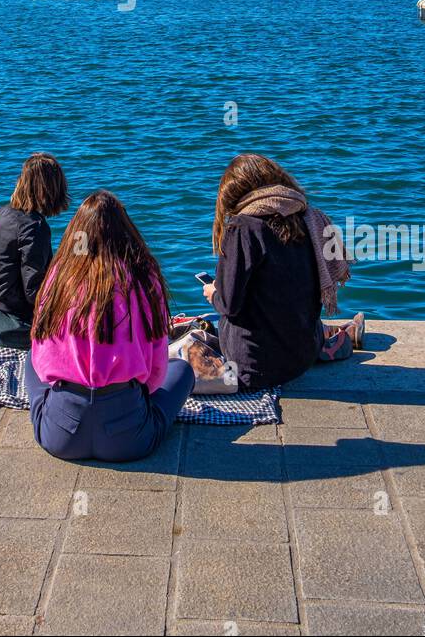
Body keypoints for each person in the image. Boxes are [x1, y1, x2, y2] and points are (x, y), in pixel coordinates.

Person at [25, 190, 194, 462]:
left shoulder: (59, 276)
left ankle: (47, 411)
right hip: (129, 438)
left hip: (61, 436)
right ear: (125, 232)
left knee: (29, 362)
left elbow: (43, 362)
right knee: (183, 370)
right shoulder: (143, 276)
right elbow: (156, 372)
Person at [205, 153, 363, 391]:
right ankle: (335, 336)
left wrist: (212, 292)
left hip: (252, 369)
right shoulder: (310, 218)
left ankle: (336, 335)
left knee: (207, 327)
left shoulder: (243, 228)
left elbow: (229, 305)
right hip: (301, 359)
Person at [0, 153, 69, 349]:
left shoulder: (1, 212)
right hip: (12, 327)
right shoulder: (34, 227)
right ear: (52, 188)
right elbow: (34, 292)